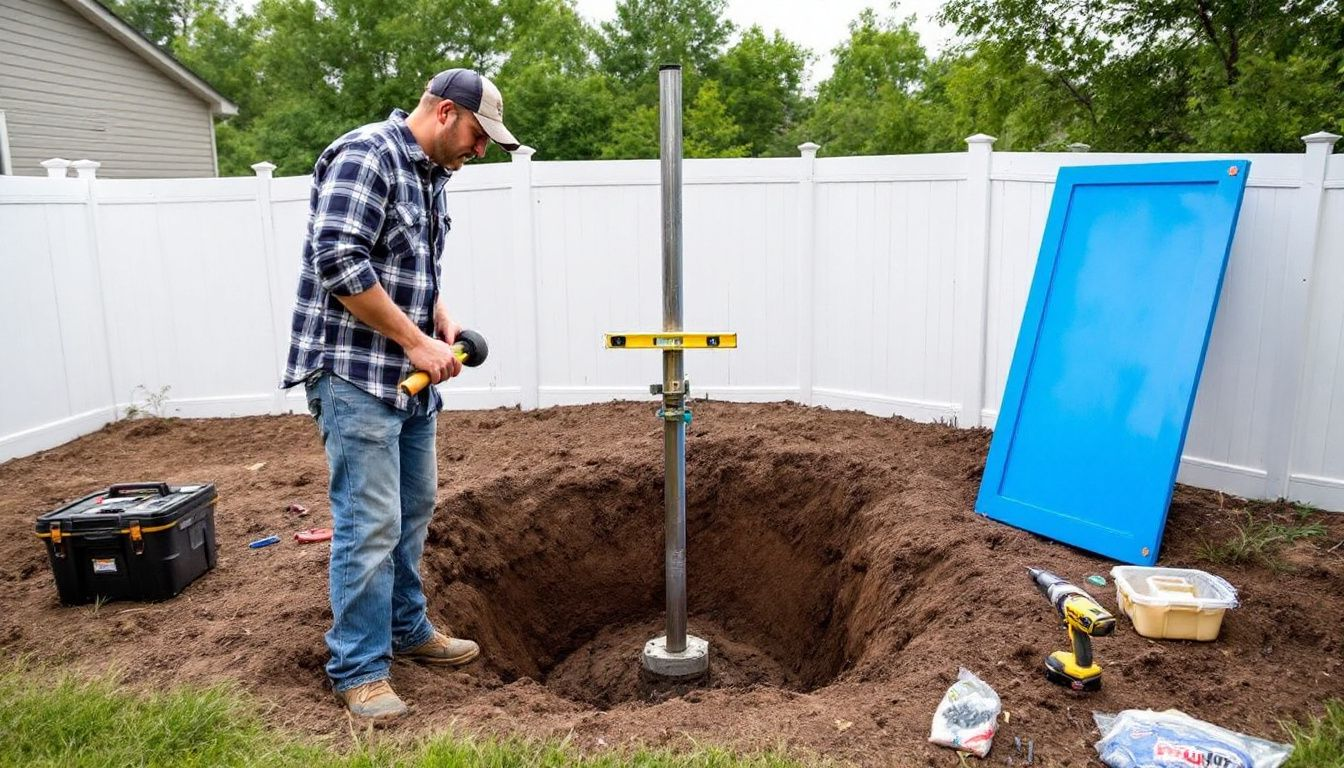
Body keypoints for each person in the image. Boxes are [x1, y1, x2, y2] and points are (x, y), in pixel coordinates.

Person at [280, 68, 520, 721]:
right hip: (355, 371)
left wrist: (440, 320)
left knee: (413, 506)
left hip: (407, 376)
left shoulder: (430, 177)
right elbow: (340, 263)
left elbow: (410, 264)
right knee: (370, 520)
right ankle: (358, 668)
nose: (479, 151)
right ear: (445, 112)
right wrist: (417, 343)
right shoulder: (367, 155)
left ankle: (407, 629)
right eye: (477, 135)